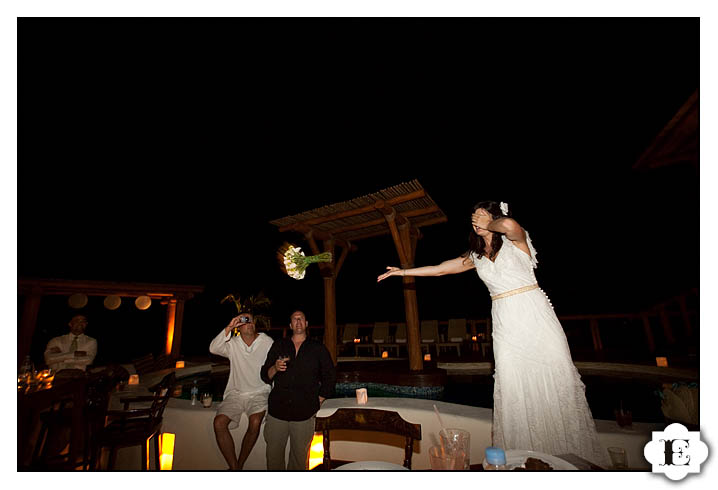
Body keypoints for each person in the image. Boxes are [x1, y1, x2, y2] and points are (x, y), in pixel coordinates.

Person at [377, 200, 607, 466]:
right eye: (473, 216)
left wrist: (490, 223)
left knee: (555, 373)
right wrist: (402, 271)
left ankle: (567, 456)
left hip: (535, 313)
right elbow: (441, 269)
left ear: (495, 218)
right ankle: (523, 457)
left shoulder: (515, 241)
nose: (475, 219)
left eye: (481, 215)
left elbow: (509, 225)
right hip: (505, 320)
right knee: (511, 380)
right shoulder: (475, 256)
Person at [260, 310, 336, 470]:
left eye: (301, 318)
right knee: (273, 458)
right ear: (290, 325)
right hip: (277, 412)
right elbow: (265, 375)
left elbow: (330, 375)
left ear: (306, 323)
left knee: (299, 461)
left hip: (304, 413)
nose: (298, 321)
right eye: (294, 319)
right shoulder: (279, 345)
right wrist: (274, 367)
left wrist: (320, 398)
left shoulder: (317, 348)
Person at [209, 312, 274, 470]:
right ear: (239, 325)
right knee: (218, 423)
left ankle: (239, 464)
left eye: (251, 320)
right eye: (244, 320)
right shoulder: (233, 344)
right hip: (236, 393)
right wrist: (229, 327)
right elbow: (213, 348)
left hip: (260, 392)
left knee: (255, 422)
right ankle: (235, 468)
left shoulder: (266, 341)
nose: (249, 323)